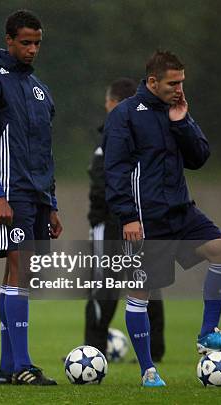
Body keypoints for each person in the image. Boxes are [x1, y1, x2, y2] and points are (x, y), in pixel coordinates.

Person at [104, 50, 221, 387]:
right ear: (152, 82)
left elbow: (199, 158)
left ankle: (208, 332)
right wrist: (128, 217)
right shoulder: (126, 114)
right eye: (172, 83)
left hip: (181, 211)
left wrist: (182, 122)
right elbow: (116, 170)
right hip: (145, 218)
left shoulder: (175, 110)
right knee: (141, 292)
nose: (179, 88)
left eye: (182, 81)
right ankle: (148, 370)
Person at [0, 10, 62, 386]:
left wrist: (52, 202)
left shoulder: (38, 88)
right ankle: (21, 364)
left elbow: (45, 149)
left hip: (37, 193)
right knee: (18, 269)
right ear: (9, 40)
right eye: (26, 42)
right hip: (11, 192)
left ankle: (9, 368)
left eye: (37, 43)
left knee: (19, 274)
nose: (32, 49)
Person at [84, 78, 165, 362]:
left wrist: (97, 217)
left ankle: (92, 349)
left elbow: (102, 185)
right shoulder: (146, 134)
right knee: (146, 281)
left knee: (103, 284)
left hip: (111, 221)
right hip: (142, 219)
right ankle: (155, 349)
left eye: (108, 102)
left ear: (115, 103)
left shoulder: (112, 138)